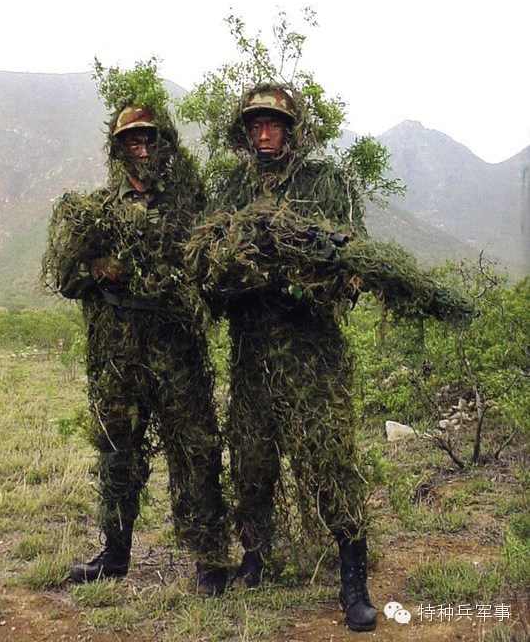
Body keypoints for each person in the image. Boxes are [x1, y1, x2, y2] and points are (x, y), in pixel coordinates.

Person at [186, 82, 471, 631]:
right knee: (251, 464)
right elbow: (208, 269)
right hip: (251, 356)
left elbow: (351, 267)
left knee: (331, 466)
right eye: (256, 125)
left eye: (274, 125)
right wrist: (243, 273)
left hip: (312, 357)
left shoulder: (325, 183)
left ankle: (353, 584)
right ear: (245, 132)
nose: (264, 134)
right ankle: (254, 560)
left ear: (292, 131)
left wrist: (302, 278)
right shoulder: (231, 189)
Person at [43, 101, 229, 595]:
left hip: (177, 354)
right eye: (133, 141)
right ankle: (115, 553)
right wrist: (99, 271)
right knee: (117, 454)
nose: (142, 148)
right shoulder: (99, 210)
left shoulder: (186, 209)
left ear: (162, 146)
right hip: (117, 358)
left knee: (195, 453)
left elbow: (208, 276)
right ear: (119, 148)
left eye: (149, 140)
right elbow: (64, 278)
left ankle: (209, 561)